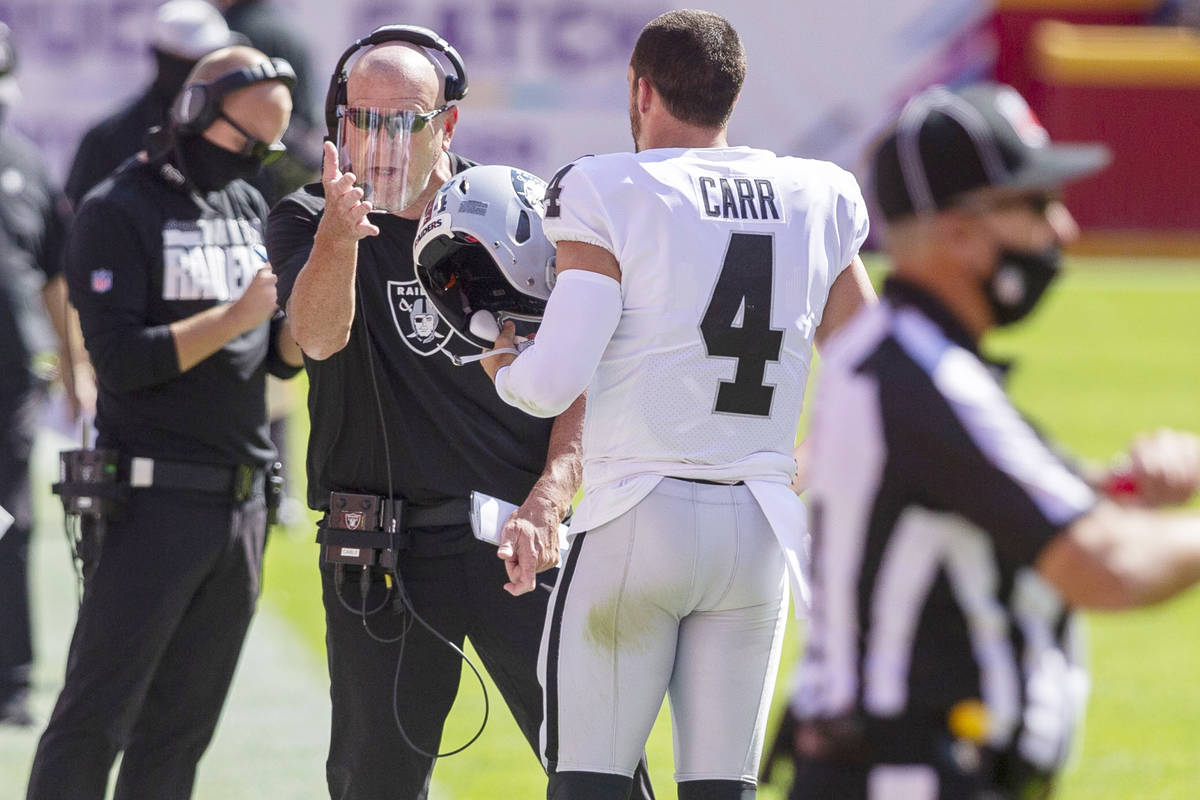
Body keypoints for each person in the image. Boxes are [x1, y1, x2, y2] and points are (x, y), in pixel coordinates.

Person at [480, 10, 877, 799]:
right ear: (733, 94)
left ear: (641, 89)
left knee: (588, 782)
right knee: (722, 791)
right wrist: (805, 457)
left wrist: (495, 352)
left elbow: (552, 382)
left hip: (637, 518)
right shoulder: (818, 192)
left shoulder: (607, 188)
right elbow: (879, 372)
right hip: (757, 528)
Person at [267, 26, 654, 800]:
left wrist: (552, 497)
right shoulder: (308, 217)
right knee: (373, 779)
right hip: (377, 545)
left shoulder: (519, 209)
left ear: (444, 125)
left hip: (515, 532)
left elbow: (583, 374)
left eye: (401, 120)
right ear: (336, 122)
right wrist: (339, 239)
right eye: (360, 119)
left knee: (597, 762)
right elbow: (315, 337)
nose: (378, 141)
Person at [789, 82, 1200, 799]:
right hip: (905, 778)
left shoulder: (896, 357)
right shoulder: (922, 377)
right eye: (1036, 206)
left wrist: (1109, 492)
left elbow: (966, 500)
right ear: (958, 232)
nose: (1063, 232)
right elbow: (1100, 567)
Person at [26, 45, 301, 799]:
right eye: (246, 140)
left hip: (241, 500)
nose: (255, 159)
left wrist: (313, 295)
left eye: (269, 147)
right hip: (150, 502)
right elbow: (120, 361)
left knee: (182, 728)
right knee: (96, 717)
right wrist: (237, 315)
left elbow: (277, 360)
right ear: (191, 111)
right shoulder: (119, 209)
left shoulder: (248, 205)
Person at [0, 20, 93, 727]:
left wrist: (74, 367)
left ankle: (12, 680)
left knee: (10, 520)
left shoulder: (24, 163)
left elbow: (55, 277)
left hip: (10, 378)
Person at [63, 0, 237, 207]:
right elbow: (80, 226)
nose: (213, 73)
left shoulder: (234, 133)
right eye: (201, 63)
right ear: (165, 60)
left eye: (219, 61)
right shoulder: (107, 140)